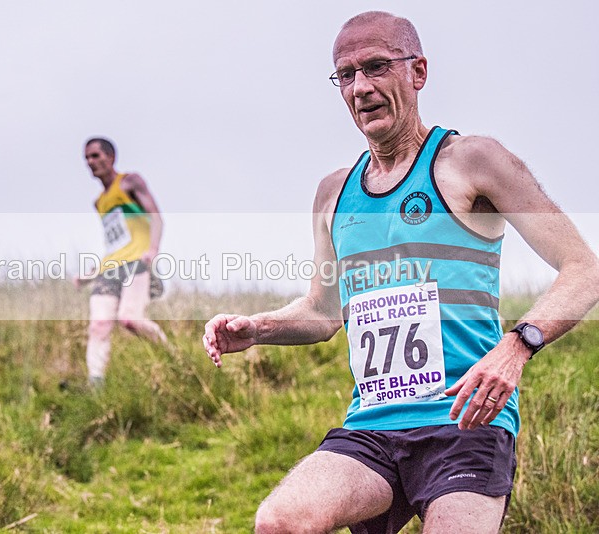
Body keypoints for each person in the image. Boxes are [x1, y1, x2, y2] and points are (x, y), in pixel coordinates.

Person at [202, 11, 599, 533]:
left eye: (375, 67)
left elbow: (584, 269)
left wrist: (517, 346)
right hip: (373, 428)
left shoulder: (471, 160)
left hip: (466, 423)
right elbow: (324, 312)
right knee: (279, 522)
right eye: (346, 75)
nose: (361, 87)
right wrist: (258, 329)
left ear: (418, 71)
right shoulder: (333, 193)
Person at [74, 137, 167, 387]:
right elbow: (114, 244)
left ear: (110, 157)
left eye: (95, 156)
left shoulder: (129, 182)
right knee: (99, 325)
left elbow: (156, 217)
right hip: (110, 268)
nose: (90, 162)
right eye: (86, 158)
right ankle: (95, 386)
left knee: (129, 319)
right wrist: (91, 273)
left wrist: (153, 249)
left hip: (137, 262)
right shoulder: (100, 202)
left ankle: (171, 359)